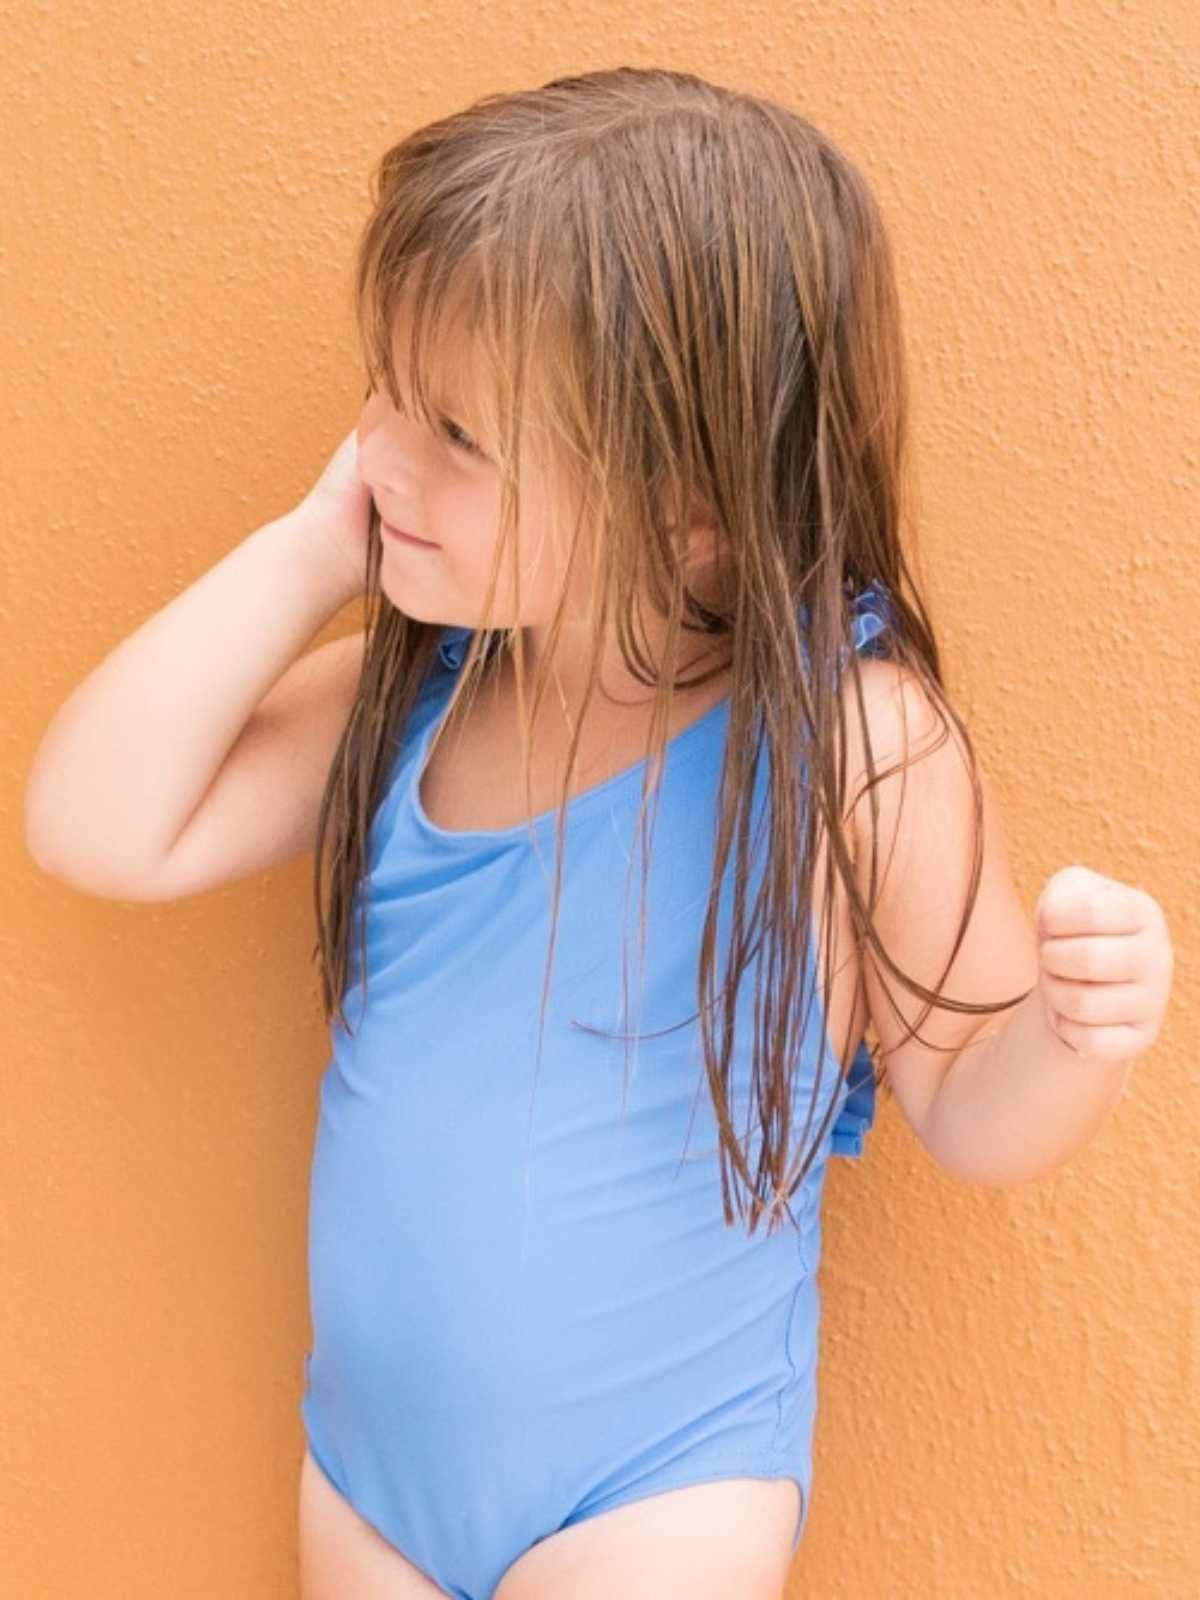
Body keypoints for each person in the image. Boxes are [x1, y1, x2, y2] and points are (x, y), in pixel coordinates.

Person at [25, 66, 1172, 1600]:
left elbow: (967, 1101)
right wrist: (310, 558)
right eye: (383, 389)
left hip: (659, 1489)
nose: (379, 453)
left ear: (691, 500)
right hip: (371, 1485)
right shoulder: (420, 690)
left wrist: (1077, 1034)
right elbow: (97, 827)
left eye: (453, 431)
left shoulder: (848, 746)